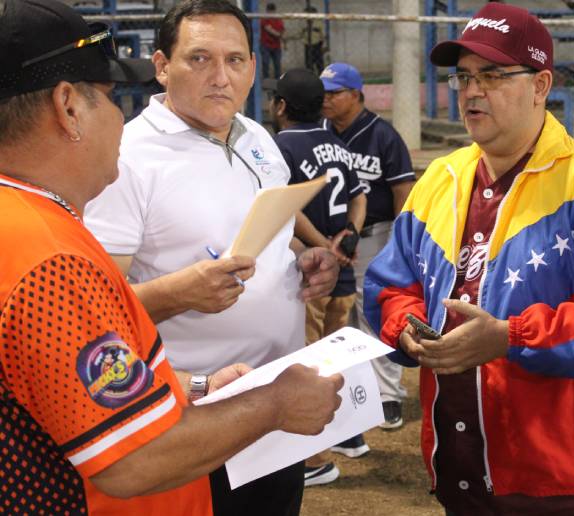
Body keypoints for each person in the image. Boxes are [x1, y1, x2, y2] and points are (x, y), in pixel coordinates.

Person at [0, 0, 343, 514]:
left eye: (234, 60)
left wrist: (204, 386)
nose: (122, 116)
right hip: (173, 448)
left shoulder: (27, 222)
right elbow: (131, 458)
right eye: (113, 97)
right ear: (69, 107)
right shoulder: (49, 258)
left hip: (219, 409)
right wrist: (270, 403)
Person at [363, 3, 574, 514]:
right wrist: (405, 327)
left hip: (562, 481)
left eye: (494, 75)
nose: (473, 91)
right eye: (465, 77)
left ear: (541, 84)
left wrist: (510, 338)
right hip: (460, 476)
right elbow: (391, 285)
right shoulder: (441, 178)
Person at [272, 68, 367, 486]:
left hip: (312, 273)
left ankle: (317, 459)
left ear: (280, 107)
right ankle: (350, 435)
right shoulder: (339, 143)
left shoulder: (281, 146)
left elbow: (285, 209)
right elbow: (360, 195)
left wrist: (320, 246)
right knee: (334, 358)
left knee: (308, 362)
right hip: (343, 273)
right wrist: (350, 234)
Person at [320, 61, 416, 435]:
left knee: (374, 313)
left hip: (376, 235)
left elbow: (402, 190)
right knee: (336, 316)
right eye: (324, 93)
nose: (327, 100)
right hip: (327, 239)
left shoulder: (382, 135)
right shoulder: (321, 131)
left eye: (335, 93)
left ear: (357, 95)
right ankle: (350, 393)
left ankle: (388, 394)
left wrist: (400, 243)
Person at [260, 3, 284, 79]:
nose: (271, 13)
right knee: (265, 63)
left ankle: (277, 81)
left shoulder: (278, 19)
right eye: (269, 12)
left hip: (276, 46)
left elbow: (282, 30)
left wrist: (279, 34)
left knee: (277, 65)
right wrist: (278, 34)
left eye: (272, 12)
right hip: (265, 45)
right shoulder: (265, 19)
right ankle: (266, 80)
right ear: (267, 11)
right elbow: (269, 29)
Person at [300, 5, 325, 74]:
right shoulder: (304, 23)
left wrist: (322, 45)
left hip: (317, 44)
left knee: (319, 64)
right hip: (307, 45)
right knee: (308, 64)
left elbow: (322, 34)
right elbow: (300, 34)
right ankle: (311, 78)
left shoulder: (318, 22)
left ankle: (321, 78)